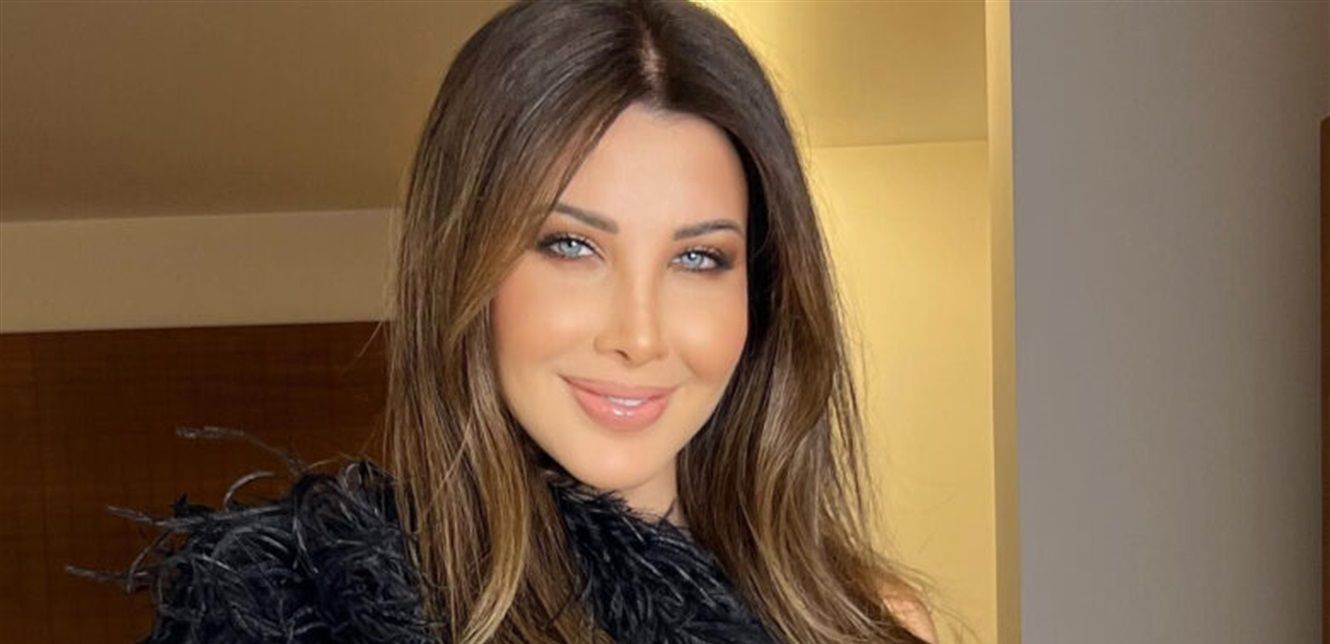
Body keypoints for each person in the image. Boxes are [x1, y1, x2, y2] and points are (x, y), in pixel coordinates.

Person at [70, 1, 940, 642]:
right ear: (465, 268)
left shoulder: (867, 624)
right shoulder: (304, 615)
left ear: (766, 289)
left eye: (699, 258)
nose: (639, 335)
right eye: (570, 246)